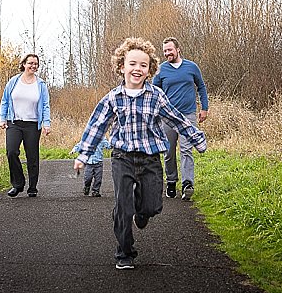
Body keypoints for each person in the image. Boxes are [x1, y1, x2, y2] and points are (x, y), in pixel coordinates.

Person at [73, 37, 207, 270]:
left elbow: (176, 119)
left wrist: (196, 138)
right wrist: (83, 155)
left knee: (152, 206)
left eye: (143, 65)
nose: (137, 69)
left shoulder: (155, 96)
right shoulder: (113, 98)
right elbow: (96, 126)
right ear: (122, 66)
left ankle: (142, 210)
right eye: (132, 63)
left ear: (150, 70)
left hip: (150, 160)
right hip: (122, 158)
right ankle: (124, 252)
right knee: (122, 207)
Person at [152, 36, 209, 201]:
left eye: (170, 50)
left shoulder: (191, 67)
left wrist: (204, 108)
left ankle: (187, 184)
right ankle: (171, 181)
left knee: (186, 150)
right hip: (168, 117)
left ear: (178, 49)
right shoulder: (161, 70)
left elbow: (201, 86)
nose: (167, 53)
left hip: (188, 115)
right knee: (169, 152)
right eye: (165, 51)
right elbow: (155, 93)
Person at [0, 53, 51, 198]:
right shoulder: (13, 82)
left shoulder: (41, 85)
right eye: (30, 63)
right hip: (14, 123)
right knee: (11, 152)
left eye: (36, 64)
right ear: (24, 64)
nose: (33, 66)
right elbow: (5, 101)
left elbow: (45, 105)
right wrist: (2, 119)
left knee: (32, 156)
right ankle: (17, 184)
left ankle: (32, 187)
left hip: (33, 125)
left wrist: (46, 123)